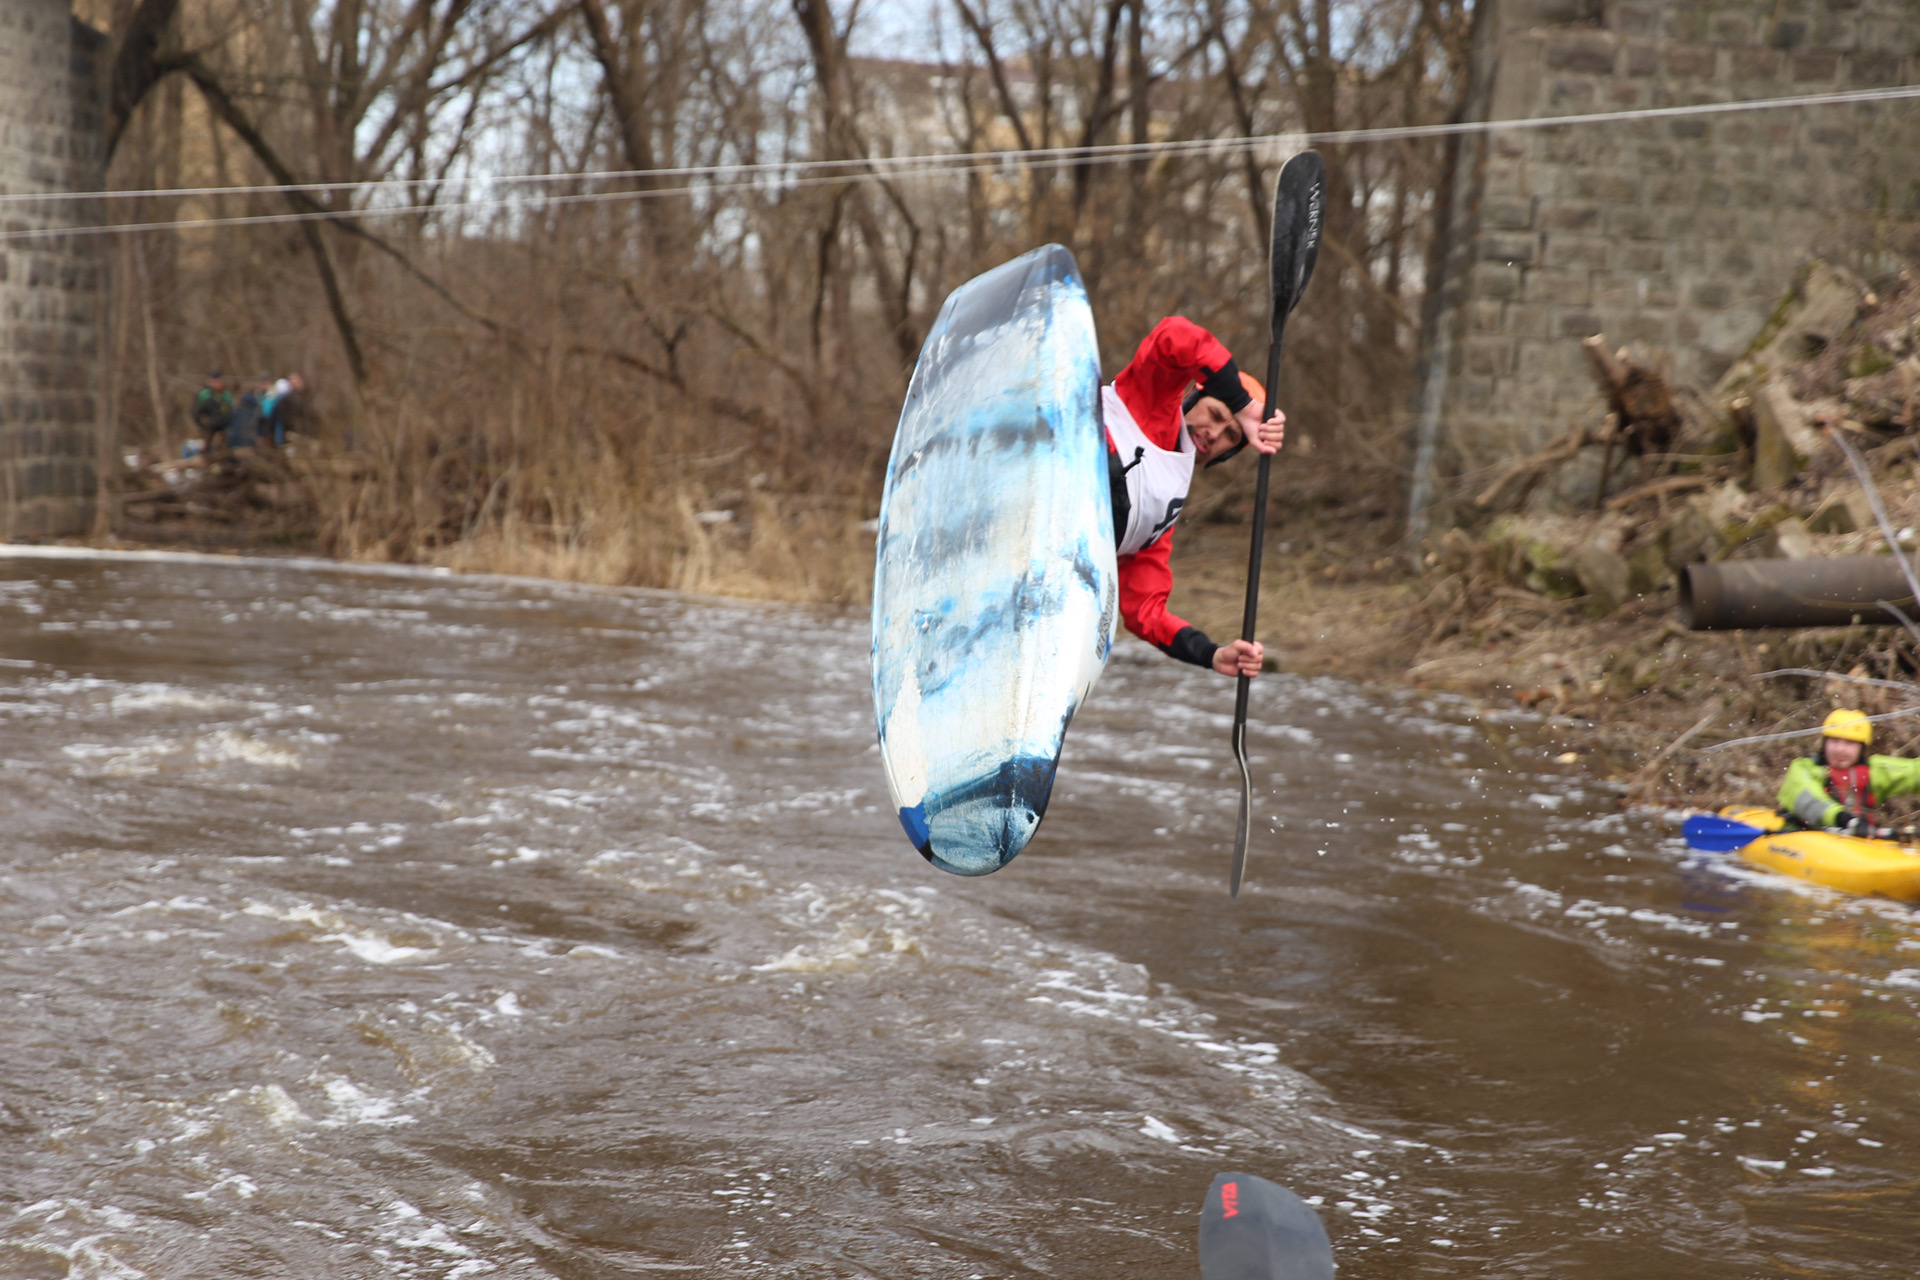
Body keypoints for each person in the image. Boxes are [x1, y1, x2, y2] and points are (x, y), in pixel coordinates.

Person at [1104, 316, 1286, 679]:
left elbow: (1145, 610)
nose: (1213, 432)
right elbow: (1175, 335)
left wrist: (1212, 654)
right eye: (1216, 414)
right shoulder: (1152, 397)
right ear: (1196, 396)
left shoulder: (1162, 507)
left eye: (1231, 435)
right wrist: (1243, 405)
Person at [1778, 708, 1920, 835]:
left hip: (1856, 844)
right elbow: (1808, 798)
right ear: (1824, 743)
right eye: (1834, 741)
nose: (1840, 749)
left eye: (1849, 743)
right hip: (1806, 838)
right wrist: (1842, 818)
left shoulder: (1875, 771)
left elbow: (1914, 771)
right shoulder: (1804, 767)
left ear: (1862, 748)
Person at [191, 372, 233, 453]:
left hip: (223, 426)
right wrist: (202, 425)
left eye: (218, 381)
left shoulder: (226, 395)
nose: (217, 384)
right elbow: (196, 412)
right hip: (209, 426)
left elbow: (231, 412)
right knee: (206, 447)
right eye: (214, 382)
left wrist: (228, 423)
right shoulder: (204, 395)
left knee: (224, 447)